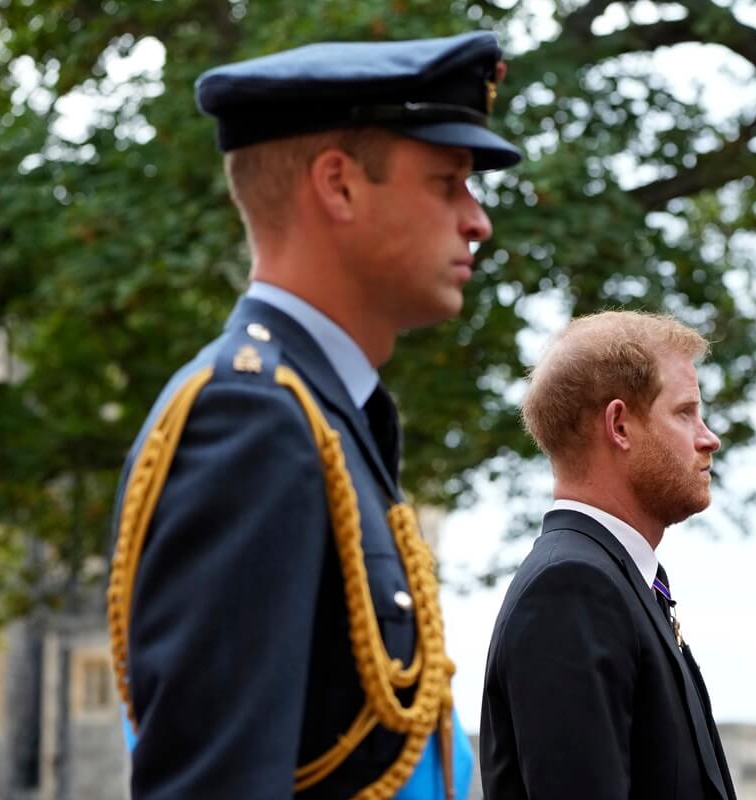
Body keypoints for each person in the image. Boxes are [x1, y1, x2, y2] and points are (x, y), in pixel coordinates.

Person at [106, 32, 521, 799]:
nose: (477, 220)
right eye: (447, 181)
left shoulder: (326, 411)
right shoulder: (249, 417)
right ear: (339, 186)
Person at [480, 311, 738, 800]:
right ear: (619, 425)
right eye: (685, 412)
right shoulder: (573, 587)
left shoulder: (616, 580)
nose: (709, 438)